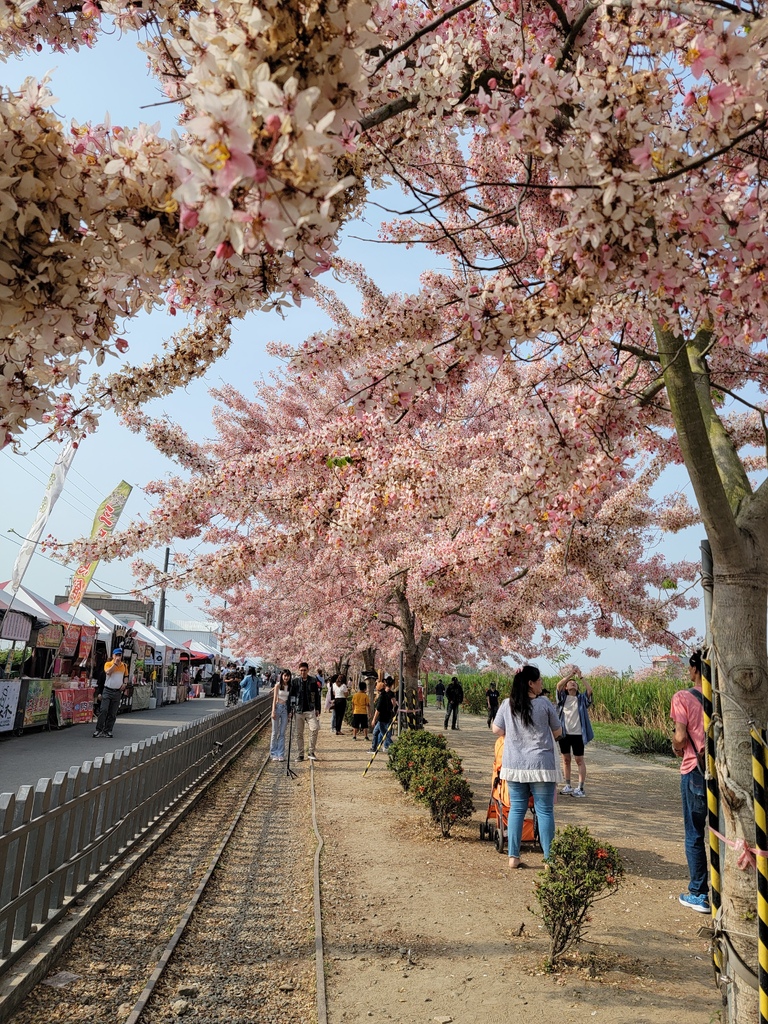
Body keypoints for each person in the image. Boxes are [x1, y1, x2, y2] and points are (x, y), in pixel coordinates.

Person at [492, 664, 562, 868]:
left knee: (516, 809)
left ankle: (513, 856)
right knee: (545, 811)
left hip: (515, 765)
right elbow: (558, 732)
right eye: (539, 680)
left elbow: (496, 729)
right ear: (531, 683)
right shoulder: (545, 704)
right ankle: (549, 859)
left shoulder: (507, 704)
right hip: (541, 766)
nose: (541, 684)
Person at [671, 650, 710, 914]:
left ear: (695, 669)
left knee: (695, 833)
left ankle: (698, 893)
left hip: (694, 769)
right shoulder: (720, 698)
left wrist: (676, 747)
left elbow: (681, 737)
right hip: (723, 772)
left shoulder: (683, 697)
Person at [555, 665, 594, 797]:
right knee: (566, 759)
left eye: (575, 684)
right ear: (566, 687)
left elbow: (589, 690)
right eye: (570, 683)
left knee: (579, 760)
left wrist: (580, 677)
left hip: (578, 734)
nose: (573, 684)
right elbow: (558, 685)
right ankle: (568, 785)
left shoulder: (581, 699)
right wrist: (570, 675)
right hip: (564, 734)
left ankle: (580, 788)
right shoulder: (562, 699)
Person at [93, 648, 128, 738]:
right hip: (107, 690)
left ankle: (108, 730)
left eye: (120, 655)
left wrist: (125, 683)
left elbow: (126, 676)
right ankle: (99, 729)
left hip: (117, 691)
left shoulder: (124, 666)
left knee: (113, 712)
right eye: (116, 655)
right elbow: (108, 672)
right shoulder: (108, 664)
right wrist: (115, 664)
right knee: (103, 710)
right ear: (113, 655)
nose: (118, 657)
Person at [291, 662, 322, 761]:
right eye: (301, 670)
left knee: (314, 728)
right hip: (298, 710)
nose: (303, 672)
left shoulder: (313, 681)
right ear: (299, 670)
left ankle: (311, 751)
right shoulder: (295, 682)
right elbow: (292, 695)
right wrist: (291, 708)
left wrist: (318, 708)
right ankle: (300, 754)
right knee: (299, 733)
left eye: (304, 670)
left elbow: (317, 695)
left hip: (310, 709)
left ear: (308, 670)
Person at [270, 668, 292, 760]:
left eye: (287, 676)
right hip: (278, 707)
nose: (286, 677)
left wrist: (290, 712)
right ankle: (273, 753)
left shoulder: (291, 686)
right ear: (282, 676)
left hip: (285, 709)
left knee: (282, 733)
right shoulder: (278, 686)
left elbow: (291, 700)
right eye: (284, 676)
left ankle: (281, 753)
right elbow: (274, 699)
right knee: (275, 732)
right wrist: (273, 711)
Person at [370, 678, 394, 752]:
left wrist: (374, 719)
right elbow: (392, 704)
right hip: (387, 717)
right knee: (376, 732)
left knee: (385, 734)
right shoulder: (387, 695)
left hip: (382, 719)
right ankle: (374, 747)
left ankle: (393, 746)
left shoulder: (382, 697)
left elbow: (378, 709)